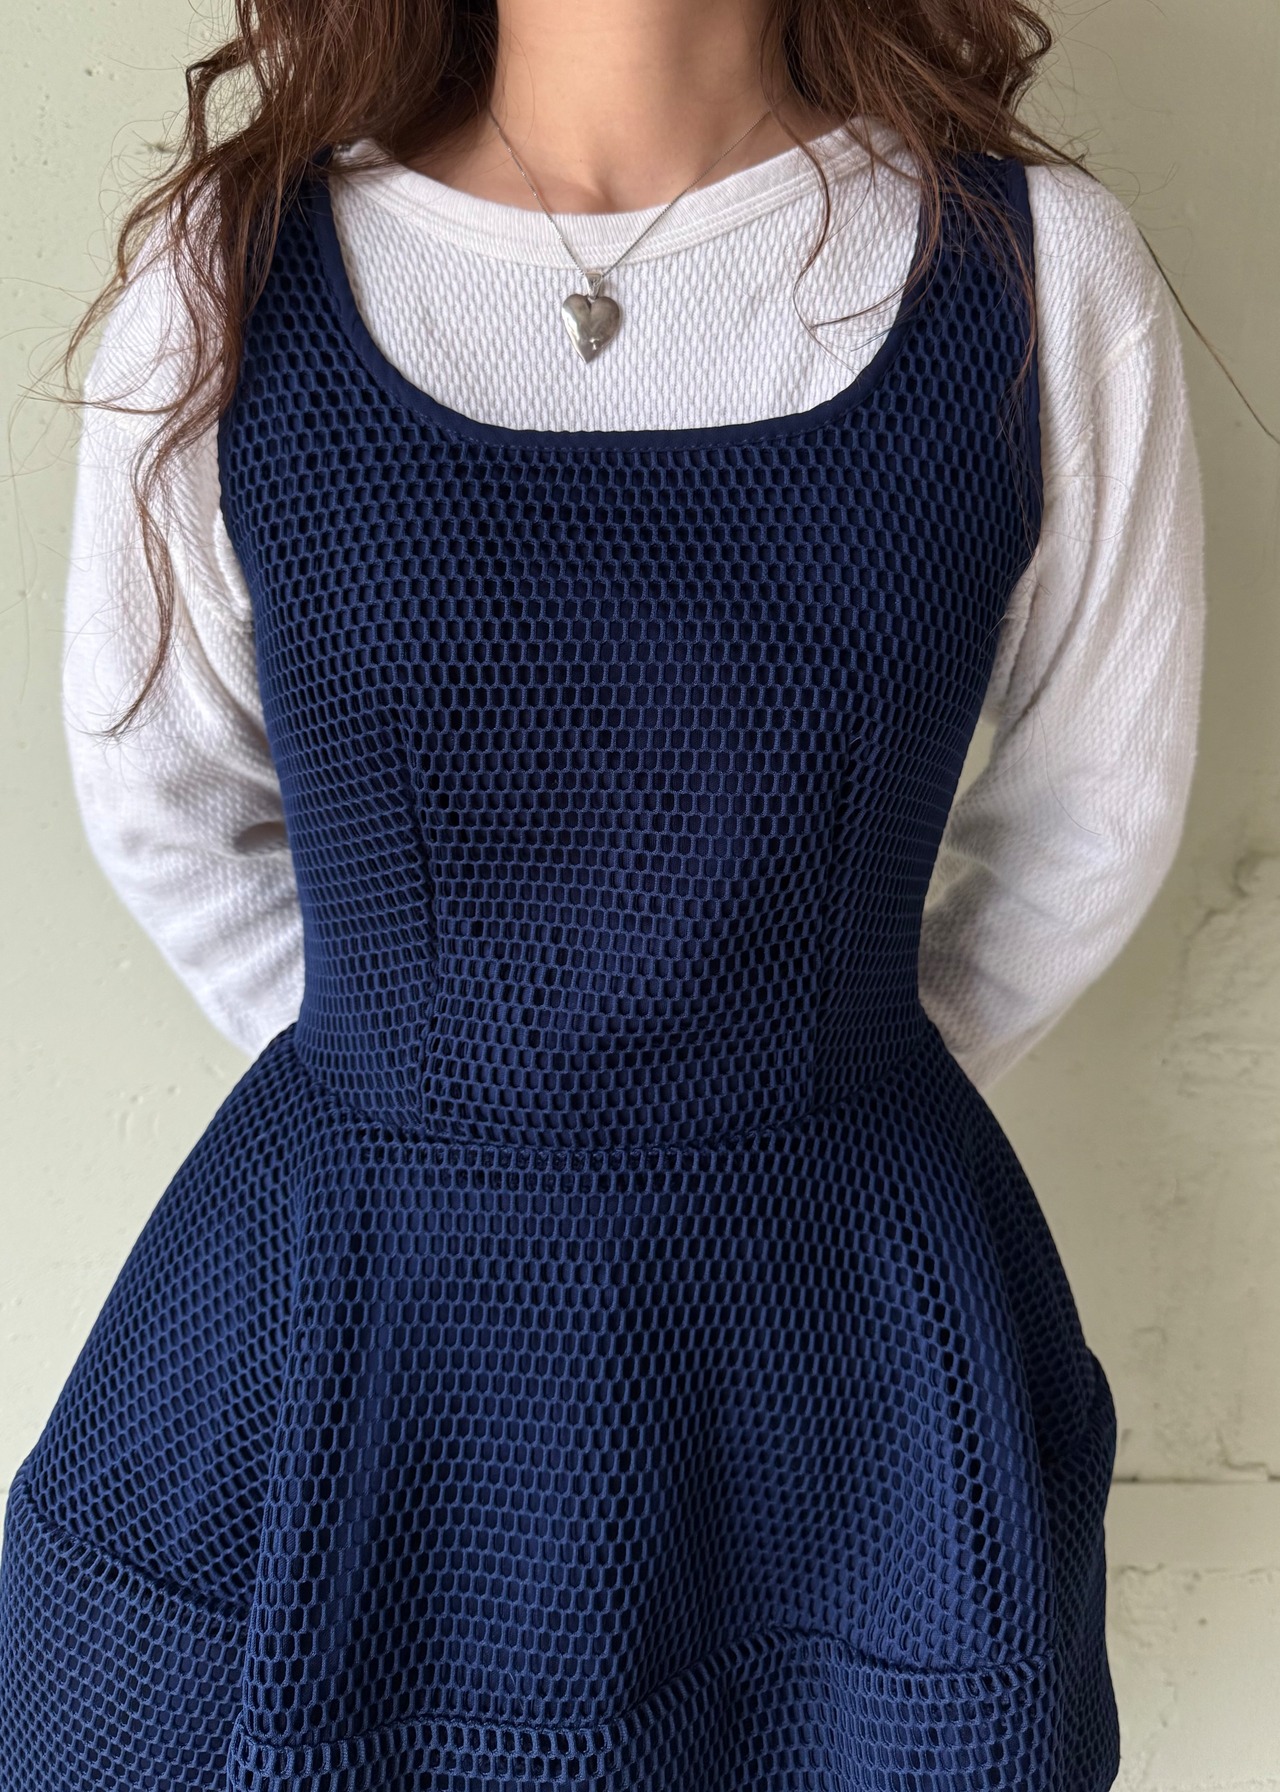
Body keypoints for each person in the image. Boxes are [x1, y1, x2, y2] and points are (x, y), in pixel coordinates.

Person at [0, 0, 1204, 1787]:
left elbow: (1096, 816)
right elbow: (163, 797)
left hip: (835, 1380)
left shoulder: (1038, 277)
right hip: (340, 1341)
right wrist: (458, 1099)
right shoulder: (229, 276)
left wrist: (793, 1098)